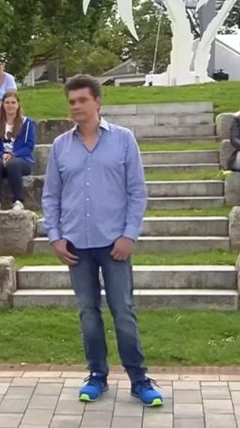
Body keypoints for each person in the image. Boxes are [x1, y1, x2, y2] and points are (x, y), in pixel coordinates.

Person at [42, 74, 163, 407]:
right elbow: (51, 195)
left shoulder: (124, 140)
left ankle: (139, 379)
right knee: (88, 312)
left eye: (82, 100)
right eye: (71, 102)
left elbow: (137, 192)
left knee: (123, 311)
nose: (76, 107)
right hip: (75, 245)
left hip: (115, 244)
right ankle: (97, 375)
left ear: (97, 102)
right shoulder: (60, 147)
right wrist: (54, 237)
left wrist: (129, 234)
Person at [0, 91, 35, 211]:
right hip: (1, 160)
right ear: (2, 105)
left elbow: (28, 147)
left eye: (13, 102)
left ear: (18, 105)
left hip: (22, 161)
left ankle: (18, 200)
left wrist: (13, 154)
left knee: (13, 164)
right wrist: (2, 155)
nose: (10, 105)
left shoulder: (27, 123)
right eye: (7, 102)